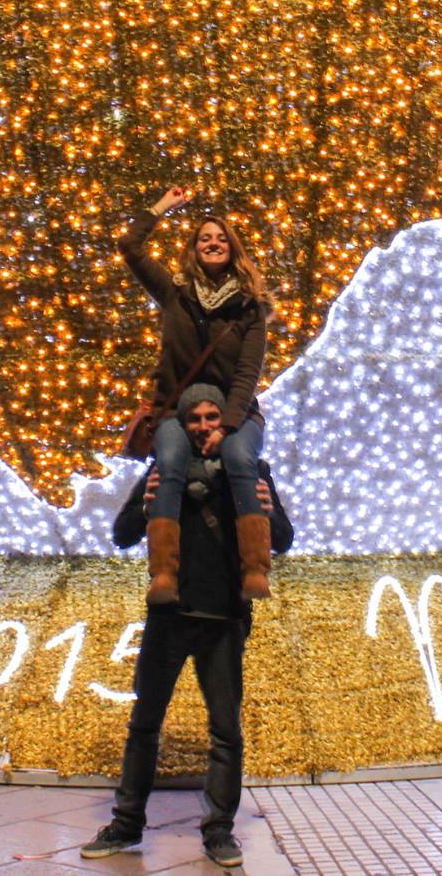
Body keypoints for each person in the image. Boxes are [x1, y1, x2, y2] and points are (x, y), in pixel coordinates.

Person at [83, 384, 295, 868]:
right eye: (195, 418)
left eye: (212, 417)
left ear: (227, 422)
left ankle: (220, 831)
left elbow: (282, 539)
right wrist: (144, 504)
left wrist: (265, 507)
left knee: (225, 731)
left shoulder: (251, 472)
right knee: (144, 725)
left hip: (223, 619)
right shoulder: (166, 471)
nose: (203, 427)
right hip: (169, 618)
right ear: (184, 423)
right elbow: (121, 535)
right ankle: (126, 823)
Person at [118, 185, 274, 603]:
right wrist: (163, 206)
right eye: (205, 238)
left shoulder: (250, 307)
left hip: (234, 414)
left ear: (233, 250)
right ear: (193, 249)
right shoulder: (175, 293)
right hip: (176, 413)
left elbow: (247, 373)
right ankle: (164, 573)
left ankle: (255, 567)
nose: (213, 243)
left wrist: (228, 426)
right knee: (169, 459)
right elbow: (129, 246)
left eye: (221, 238)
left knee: (242, 459)